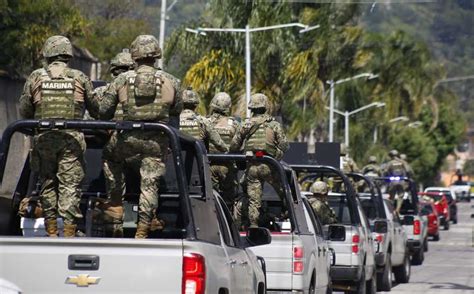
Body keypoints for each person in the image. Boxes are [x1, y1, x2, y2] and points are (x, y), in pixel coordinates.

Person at [99, 35, 180, 238]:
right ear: (156, 55)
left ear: (134, 55)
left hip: (127, 140)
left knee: (110, 156)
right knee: (150, 184)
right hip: (156, 141)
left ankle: (116, 204)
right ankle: (143, 228)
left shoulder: (122, 79)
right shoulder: (170, 80)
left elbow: (104, 111)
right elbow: (177, 110)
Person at [19, 35, 99, 237]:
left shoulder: (36, 77)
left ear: (47, 53)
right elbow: (96, 109)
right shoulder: (79, 77)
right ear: (68, 55)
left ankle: (52, 231)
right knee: (69, 185)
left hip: (44, 139)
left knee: (47, 182)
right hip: (71, 140)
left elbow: (25, 111)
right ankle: (70, 233)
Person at [230, 93, 289, 228]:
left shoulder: (246, 124)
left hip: (252, 167)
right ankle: (289, 213)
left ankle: (254, 226)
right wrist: (277, 155)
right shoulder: (274, 125)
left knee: (253, 200)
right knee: (284, 191)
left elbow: (234, 145)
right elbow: (284, 145)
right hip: (270, 165)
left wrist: (238, 156)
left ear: (251, 108)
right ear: (265, 107)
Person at [207, 92, 240, 208]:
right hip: (228, 166)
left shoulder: (206, 122)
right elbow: (239, 145)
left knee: (210, 197)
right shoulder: (234, 124)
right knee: (228, 200)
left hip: (209, 165)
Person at [179, 87, 228, 153]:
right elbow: (219, 143)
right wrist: (227, 151)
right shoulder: (204, 121)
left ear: (181, 104)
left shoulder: (173, 120)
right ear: (196, 105)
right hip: (199, 161)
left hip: (176, 161)